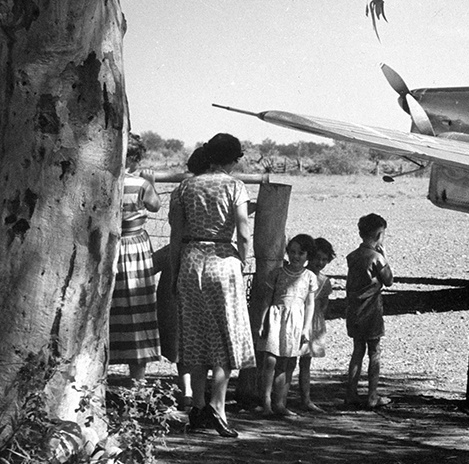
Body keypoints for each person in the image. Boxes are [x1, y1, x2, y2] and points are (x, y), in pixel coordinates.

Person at [170, 133, 253, 437]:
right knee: (227, 334)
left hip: (191, 261)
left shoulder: (185, 187)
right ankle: (218, 407)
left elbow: (176, 236)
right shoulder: (234, 186)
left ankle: (198, 405)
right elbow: (243, 231)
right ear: (232, 159)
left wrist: (177, 272)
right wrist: (242, 260)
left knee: (194, 334)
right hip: (222, 259)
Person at [110, 133, 162, 382]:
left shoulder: (105, 181)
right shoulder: (139, 184)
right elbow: (155, 205)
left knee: (112, 307)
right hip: (135, 250)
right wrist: (150, 183)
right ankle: (137, 379)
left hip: (110, 248)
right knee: (138, 307)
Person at [256, 233, 320, 417]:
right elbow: (267, 299)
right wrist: (262, 321)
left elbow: (310, 304)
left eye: (301, 253)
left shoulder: (309, 277)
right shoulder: (277, 273)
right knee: (270, 360)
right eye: (292, 252)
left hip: (296, 322)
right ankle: (266, 402)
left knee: (288, 361)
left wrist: (306, 327)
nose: (295, 256)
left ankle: (280, 403)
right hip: (276, 317)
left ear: (308, 255)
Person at [344, 213, 394, 409]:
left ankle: (351, 393)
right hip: (371, 311)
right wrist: (385, 257)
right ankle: (372, 395)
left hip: (354, 309)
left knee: (358, 350)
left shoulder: (353, 256)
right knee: (374, 351)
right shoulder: (376, 258)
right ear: (380, 234)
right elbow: (388, 280)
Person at [298, 236, 335, 413]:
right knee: (286, 361)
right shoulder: (298, 275)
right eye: (317, 258)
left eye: (324, 259)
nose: (320, 262)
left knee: (306, 362)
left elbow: (324, 305)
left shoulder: (325, 281)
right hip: (297, 319)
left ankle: (305, 398)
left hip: (313, 322)